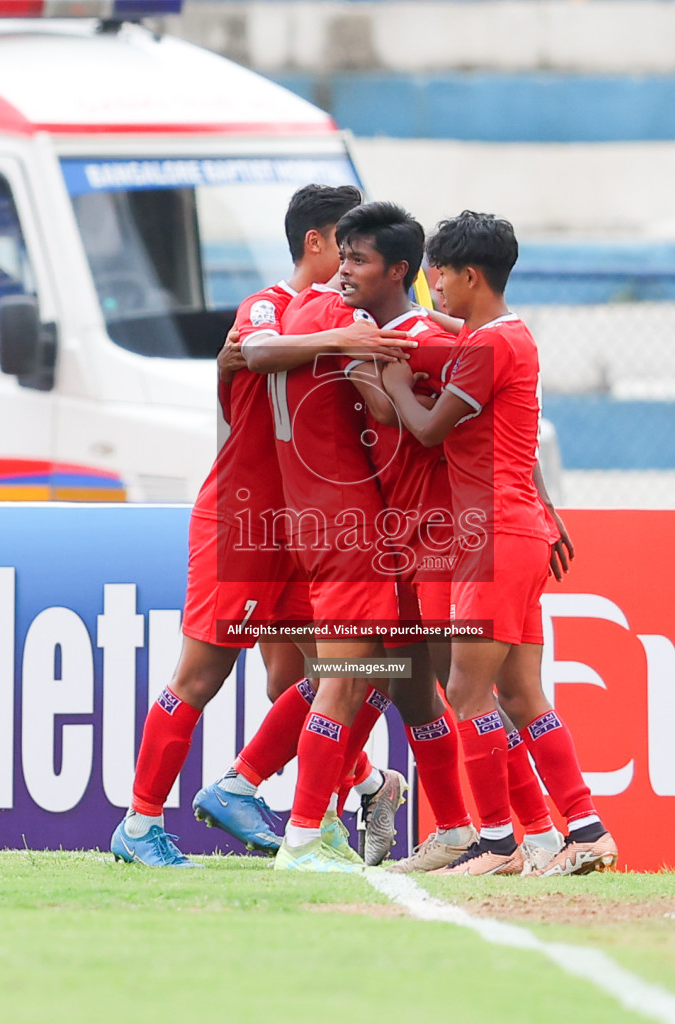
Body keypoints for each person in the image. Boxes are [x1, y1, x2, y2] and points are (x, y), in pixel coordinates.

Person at [110, 184, 411, 868]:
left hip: (302, 529)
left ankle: (335, 790)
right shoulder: (269, 306)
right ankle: (138, 822)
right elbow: (260, 352)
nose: (355, 260)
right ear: (317, 242)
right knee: (201, 675)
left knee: (325, 676)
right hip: (242, 523)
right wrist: (347, 336)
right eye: (349, 244)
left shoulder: (337, 313)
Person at [382, 211, 617, 876]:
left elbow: (428, 429)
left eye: (441, 276)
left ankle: (496, 843)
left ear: (471, 276)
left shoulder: (489, 347)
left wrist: (391, 381)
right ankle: (588, 829)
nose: (434, 289)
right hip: (509, 529)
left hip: (493, 536)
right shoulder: (507, 339)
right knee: (520, 693)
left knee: (467, 692)